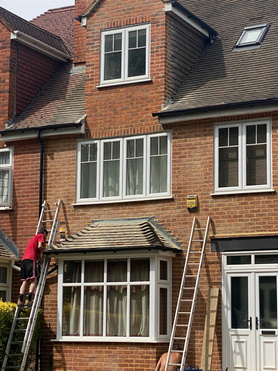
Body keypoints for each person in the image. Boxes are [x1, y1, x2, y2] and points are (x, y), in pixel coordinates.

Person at [17, 228, 48, 307]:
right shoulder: (40, 235)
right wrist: (45, 250)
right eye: (46, 236)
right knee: (34, 279)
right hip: (31, 260)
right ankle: (29, 299)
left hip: (24, 261)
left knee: (25, 281)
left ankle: (20, 300)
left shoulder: (33, 240)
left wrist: (42, 260)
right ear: (44, 233)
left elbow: (39, 257)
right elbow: (39, 246)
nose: (45, 239)